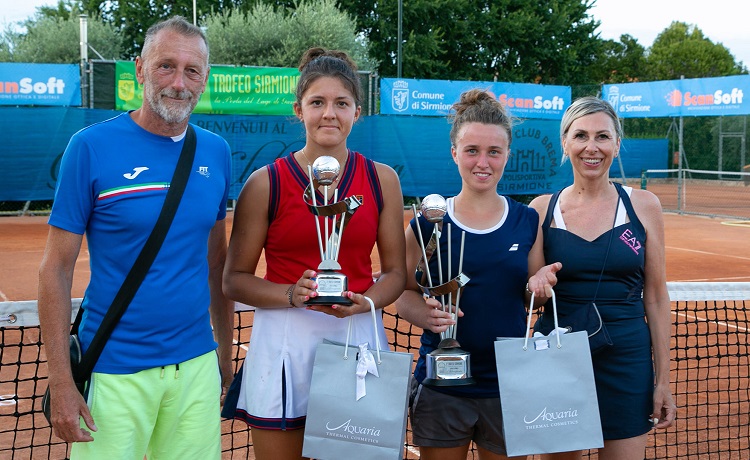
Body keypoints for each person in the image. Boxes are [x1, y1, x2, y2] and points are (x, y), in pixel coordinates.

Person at [37, 16, 233, 459]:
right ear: (140, 69)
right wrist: (61, 382)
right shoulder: (89, 147)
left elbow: (215, 262)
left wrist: (222, 350)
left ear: (205, 79)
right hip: (113, 372)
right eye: (166, 66)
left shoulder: (216, 152)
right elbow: (56, 268)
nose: (179, 83)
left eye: (192, 70)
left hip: (196, 370)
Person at [221, 47, 406, 460]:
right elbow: (234, 279)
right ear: (298, 109)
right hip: (284, 347)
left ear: (357, 111)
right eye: (317, 102)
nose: (329, 114)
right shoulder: (265, 182)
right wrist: (292, 293)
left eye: (341, 103)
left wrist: (366, 302)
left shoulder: (382, 180)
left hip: (357, 340)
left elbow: (395, 273)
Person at [395, 88, 552, 460]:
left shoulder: (526, 220)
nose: (483, 162)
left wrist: (540, 287)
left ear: (507, 156)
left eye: (494, 152)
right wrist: (425, 314)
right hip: (442, 385)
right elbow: (402, 293)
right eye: (472, 150)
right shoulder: (425, 224)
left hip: (506, 384)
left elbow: (533, 297)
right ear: (454, 153)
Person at [527, 96, 677, 460]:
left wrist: (663, 382)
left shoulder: (644, 206)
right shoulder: (541, 210)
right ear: (565, 143)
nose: (591, 147)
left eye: (602, 137)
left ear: (616, 144)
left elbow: (655, 297)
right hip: (559, 354)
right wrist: (537, 284)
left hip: (627, 359)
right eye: (580, 136)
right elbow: (531, 292)